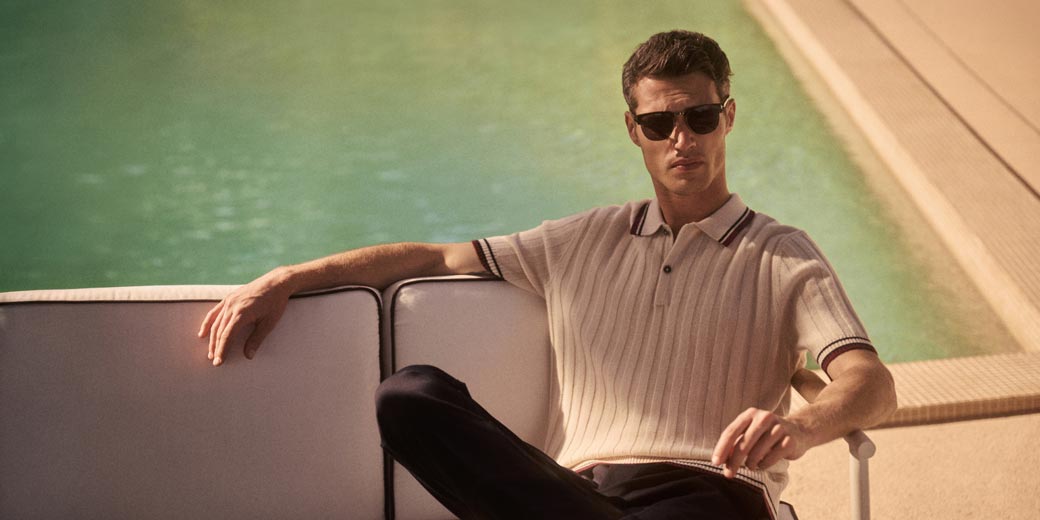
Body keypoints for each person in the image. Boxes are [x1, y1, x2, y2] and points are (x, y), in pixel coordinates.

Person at [198, 30, 896, 519]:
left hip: (709, 495)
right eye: (660, 124)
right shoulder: (580, 240)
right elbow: (432, 256)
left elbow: (871, 382)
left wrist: (803, 427)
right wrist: (289, 275)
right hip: (572, 496)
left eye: (700, 116)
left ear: (727, 117)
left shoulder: (783, 253)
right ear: (634, 131)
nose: (682, 138)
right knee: (408, 395)